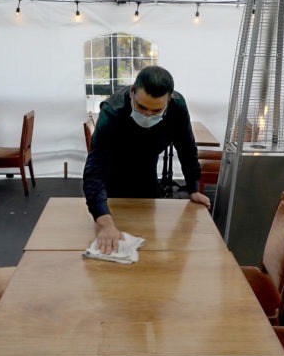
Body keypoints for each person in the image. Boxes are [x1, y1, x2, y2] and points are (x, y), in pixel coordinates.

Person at [83, 65, 211, 254]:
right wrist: (105, 222)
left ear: (168, 101)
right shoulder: (112, 111)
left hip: (148, 174)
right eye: (141, 107)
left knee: (148, 242)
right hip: (113, 176)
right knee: (111, 243)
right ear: (132, 92)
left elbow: (187, 148)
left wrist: (193, 188)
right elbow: (95, 170)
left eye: (156, 110)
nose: (147, 115)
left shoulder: (177, 107)